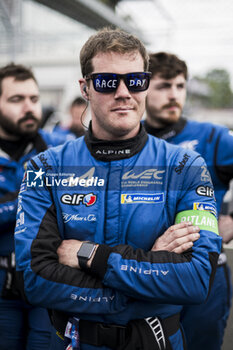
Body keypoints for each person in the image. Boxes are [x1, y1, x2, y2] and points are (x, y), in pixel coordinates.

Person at [14, 28, 221, 350]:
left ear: (146, 84)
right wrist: (145, 279)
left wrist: (91, 256)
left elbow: (195, 281)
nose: (123, 92)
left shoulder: (186, 166)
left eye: (135, 81)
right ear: (85, 88)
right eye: (108, 82)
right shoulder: (45, 168)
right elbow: (36, 280)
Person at [144, 51, 233, 350]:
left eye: (180, 86)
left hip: (205, 272)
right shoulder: (129, 140)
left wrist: (232, 220)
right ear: (142, 88)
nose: (174, 95)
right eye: (164, 86)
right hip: (148, 272)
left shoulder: (213, 137)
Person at [0, 63, 69, 349]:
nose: (28, 107)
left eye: (34, 98)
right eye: (17, 99)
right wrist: (34, 197)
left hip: (51, 283)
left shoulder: (62, 148)